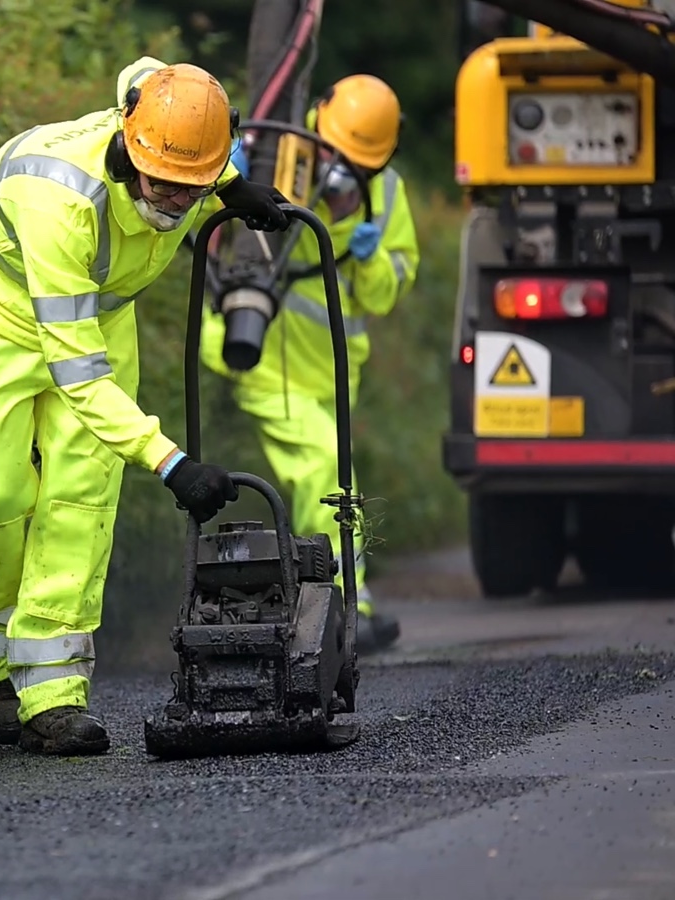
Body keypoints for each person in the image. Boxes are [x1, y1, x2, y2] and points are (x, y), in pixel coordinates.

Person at [0, 57, 293, 758]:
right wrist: (171, 462)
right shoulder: (58, 201)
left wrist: (234, 191)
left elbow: (161, 83)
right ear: (129, 149)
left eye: (194, 190)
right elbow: (81, 378)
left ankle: (53, 698)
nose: (175, 205)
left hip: (97, 315)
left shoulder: (180, 133)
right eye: (164, 187)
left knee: (80, 499)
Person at [200, 73, 419, 653]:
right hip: (271, 366)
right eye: (338, 153)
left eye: (359, 163)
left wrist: (359, 237)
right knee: (323, 467)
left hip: (333, 374)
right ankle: (337, 608)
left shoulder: (387, 194)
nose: (343, 169)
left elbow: (384, 292)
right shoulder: (282, 161)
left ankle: (342, 600)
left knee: (335, 478)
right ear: (318, 127)